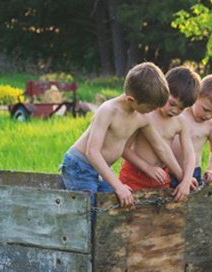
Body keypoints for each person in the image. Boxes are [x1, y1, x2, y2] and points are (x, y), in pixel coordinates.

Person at [59, 62, 183, 208]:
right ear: (132, 100)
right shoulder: (108, 111)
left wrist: (182, 177)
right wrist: (119, 186)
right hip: (80, 165)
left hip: (102, 167)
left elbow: (161, 147)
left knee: (113, 207)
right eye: (149, 107)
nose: (152, 111)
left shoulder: (142, 117)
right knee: (89, 211)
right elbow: (92, 152)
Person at [119, 66, 201, 200]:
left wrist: (185, 180)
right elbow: (123, 149)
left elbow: (189, 155)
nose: (174, 111)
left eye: (181, 108)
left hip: (161, 178)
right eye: (172, 103)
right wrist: (147, 168)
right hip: (135, 175)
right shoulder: (145, 113)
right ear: (163, 90)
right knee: (130, 216)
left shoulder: (181, 122)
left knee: (158, 216)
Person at [172, 74, 212, 187]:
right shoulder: (179, 114)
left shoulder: (211, 126)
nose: (208, 115)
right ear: (196, 95)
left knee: (191, 202)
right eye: (205, 109)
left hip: (193, 172)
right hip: (169, 169)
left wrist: (211, 169)